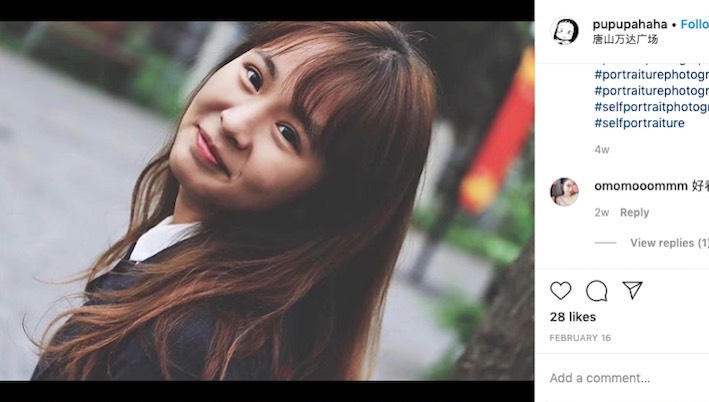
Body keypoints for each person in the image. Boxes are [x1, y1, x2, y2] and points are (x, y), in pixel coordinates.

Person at [31, 21, 436, 381]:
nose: (235, 122)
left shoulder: (188, 349)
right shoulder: (213, 310)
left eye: (288, 133)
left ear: (322, 202)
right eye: (255, 77)